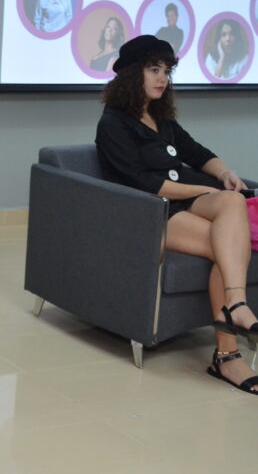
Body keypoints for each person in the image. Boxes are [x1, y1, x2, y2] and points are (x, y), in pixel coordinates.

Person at [96, 35, 258, 395]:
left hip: (185, 199)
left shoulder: (160, 116)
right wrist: (205, 190)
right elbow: (146, 183)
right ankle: (227, 357)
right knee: (227, 247)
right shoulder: (113, 124)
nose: (162, 78)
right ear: (131, 73)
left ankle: (235, 304)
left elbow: (195, 151)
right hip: (153, 212)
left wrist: (224, 174)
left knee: (231, 202)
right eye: (154, 70)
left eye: (166, 71)